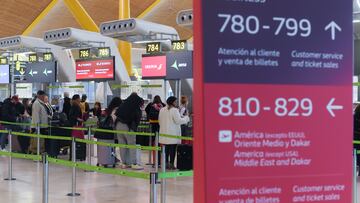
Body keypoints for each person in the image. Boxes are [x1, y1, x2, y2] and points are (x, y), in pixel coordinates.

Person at [159, 96, 190, 170]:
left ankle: (165, 163)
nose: (176, 103)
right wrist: (186, 118)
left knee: (166, 150)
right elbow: (178, 121)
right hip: (172, 134)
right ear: (172, 102)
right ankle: (171, 164)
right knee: (172, 150)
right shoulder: (174, 110)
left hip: (164, 133)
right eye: (175, 101)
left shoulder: (162, 110)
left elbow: (159, 121)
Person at [115, 93, 144, 170]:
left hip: (118, 126)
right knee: (132, 145)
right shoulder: (135, 108)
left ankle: (124, 163)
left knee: (122, 145)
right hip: (128, 127)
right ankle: (134, 163)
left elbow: (116, 114)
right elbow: (136, 119)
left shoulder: (123, 105)